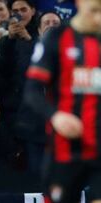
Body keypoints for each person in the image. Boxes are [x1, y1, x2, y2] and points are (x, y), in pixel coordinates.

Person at [24, 0, 101, 202]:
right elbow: (31, 92)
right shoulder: (57, 37)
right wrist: (56, 116)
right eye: (95, 10)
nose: (99, 18)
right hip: (64, 150)